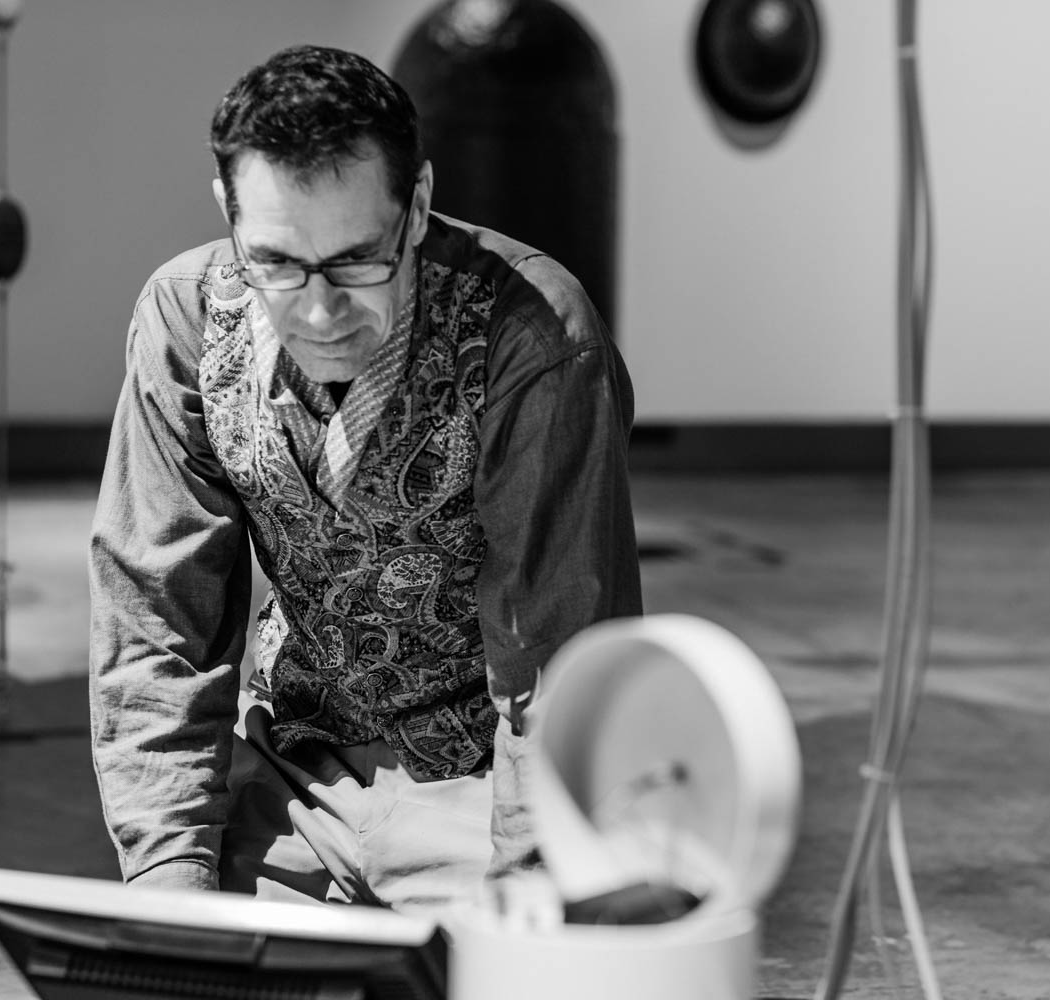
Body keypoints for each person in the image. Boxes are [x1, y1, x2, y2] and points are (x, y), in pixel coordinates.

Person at [88, 44, 642, 915]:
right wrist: (171, 897)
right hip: (295, 776)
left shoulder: (531, 340)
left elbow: (557, 678)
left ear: (416, 206)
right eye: (274, 261)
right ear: (228, 215)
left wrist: (525, 919)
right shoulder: (186, 318)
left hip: (480, 787)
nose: (317, 310)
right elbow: (159, 626)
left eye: (356, 260)